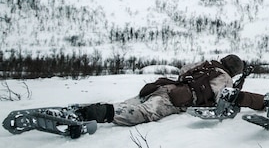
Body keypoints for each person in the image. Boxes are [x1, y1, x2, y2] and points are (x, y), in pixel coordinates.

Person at [77, 54, 245, 126]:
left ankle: (88, 110)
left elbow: (183, 71)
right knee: (144, 113)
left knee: (128, 104)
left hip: (163, 87)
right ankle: (99, 113)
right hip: (173, 99)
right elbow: (220, 99)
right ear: (235, 70)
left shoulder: (207, 65)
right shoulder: (226, 78)